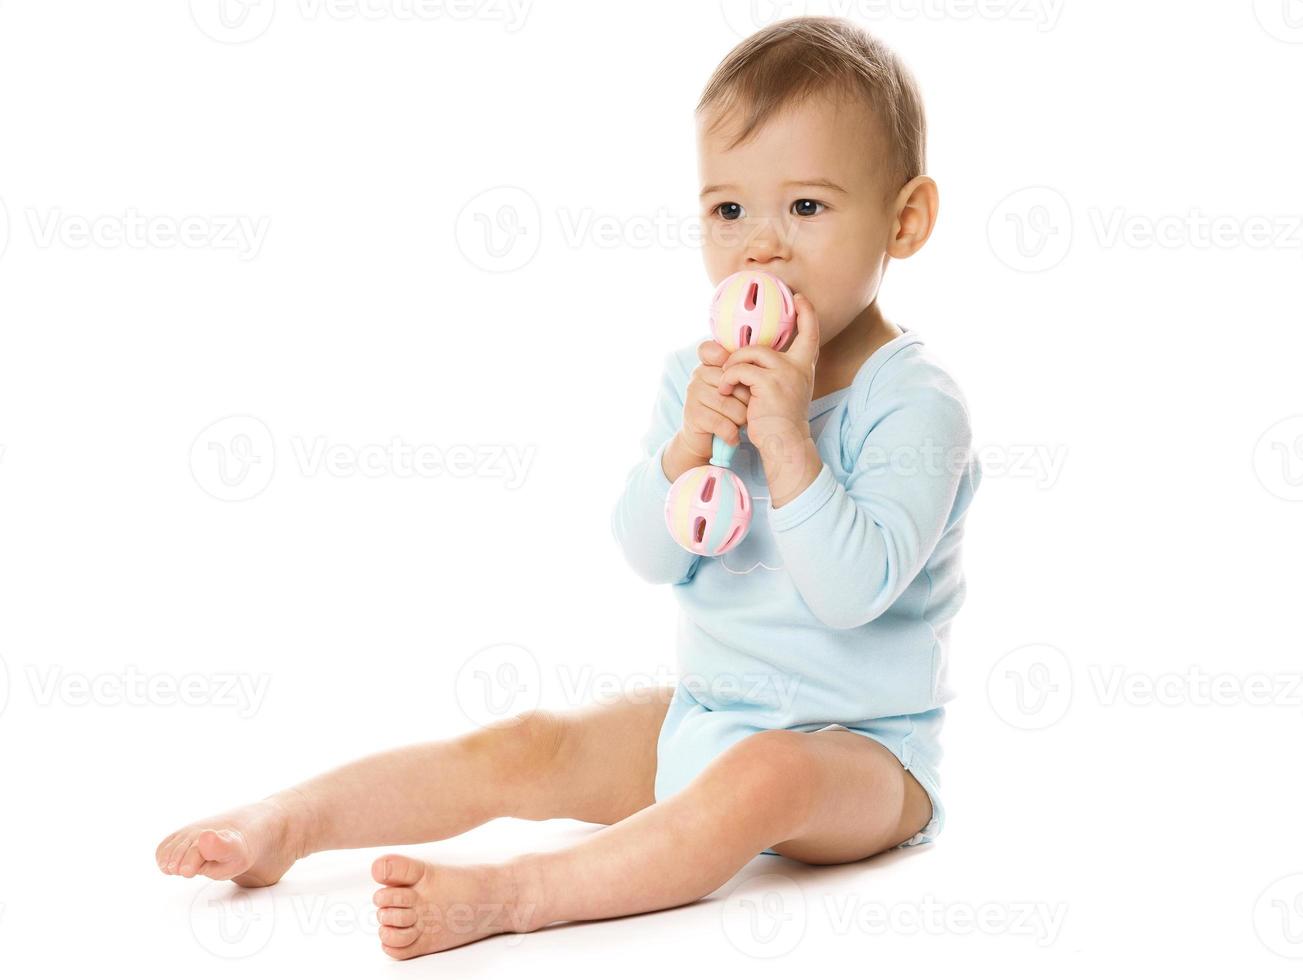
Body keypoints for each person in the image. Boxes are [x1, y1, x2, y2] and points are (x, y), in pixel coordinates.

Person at [154, 15, 981, 960]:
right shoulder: (697, 378)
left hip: (861, 757)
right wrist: (690, 448)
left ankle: (516, 897)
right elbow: (647, 553)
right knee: (529, 742)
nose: (761, 248)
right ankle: (286, 823)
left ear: (904, 219)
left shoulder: (914, 404)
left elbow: (850, 592)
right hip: (709, 709)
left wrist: (787, 442)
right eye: (727, 211)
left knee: (764, 779)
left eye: (805, 208)